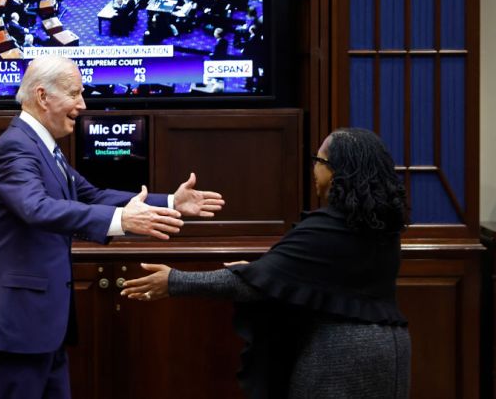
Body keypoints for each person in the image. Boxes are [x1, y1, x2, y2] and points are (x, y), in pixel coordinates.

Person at [0, 56, 226, 399]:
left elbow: (91, 195)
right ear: (43, 97)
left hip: (43, 328)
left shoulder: (43, 148)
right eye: (75, 94)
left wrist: (169, 203)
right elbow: (37, 208)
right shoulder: (15, 148)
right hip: (18, 327)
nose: (83, 104)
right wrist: (122, 221)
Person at [122, 128, 411, 399]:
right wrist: (265, 271)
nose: (314, 169)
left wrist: (174, 280)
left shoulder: (326, 228)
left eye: (318, 160)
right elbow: (320, 276)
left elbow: (252, 287)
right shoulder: (383, 226)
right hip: (392, 353)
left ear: (336, 172)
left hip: (342, 358)